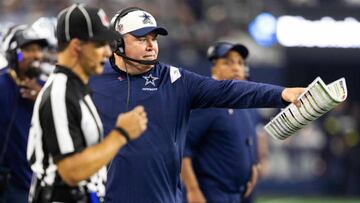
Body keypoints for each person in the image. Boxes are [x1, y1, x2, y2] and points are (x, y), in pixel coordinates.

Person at [89, 7, 304, 203]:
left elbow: (229, 90)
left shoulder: (174, 80)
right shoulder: (92, 78)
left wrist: (282, 94)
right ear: (116, 42)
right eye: (141, 38)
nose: (150, 46)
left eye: (153, 39)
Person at [26, 4, 148, 203]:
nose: (108, 52)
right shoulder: (60, 92)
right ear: (77, 46)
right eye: (100, 44)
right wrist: (121, 134)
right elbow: (71, 172)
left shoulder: (76, 89)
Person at [181, 42, 265, 203]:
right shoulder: (208, 102)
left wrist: (253, 166)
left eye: (240, 63)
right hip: (211, 193)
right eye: (228, 62)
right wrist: (193, 189)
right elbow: (183, 148)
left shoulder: (242, 104)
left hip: (238, 192)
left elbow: (247, 140)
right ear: (214, 68)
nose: (236, 68)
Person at [0, 24, 48, 203]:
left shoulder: (48, 88)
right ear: (13, 53)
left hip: (33, 184)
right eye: (28, 49)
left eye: (39, 49)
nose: (37, 55)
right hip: (7, 185)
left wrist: (42, 100)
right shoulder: (2, 84)